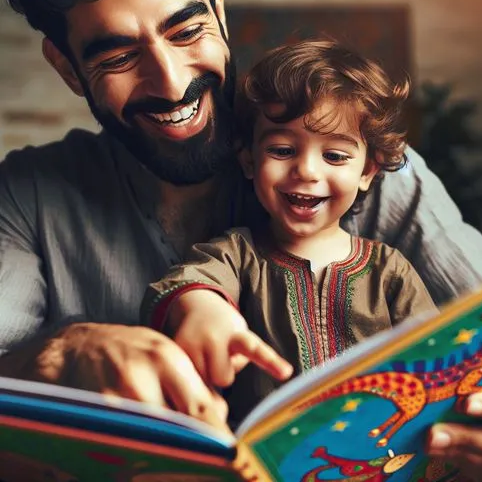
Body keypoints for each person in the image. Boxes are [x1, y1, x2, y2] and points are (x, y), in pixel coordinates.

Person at [1, 0, 482, 479]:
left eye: (186, 32)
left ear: (217, 6)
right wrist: (63, 355)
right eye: (118, 58)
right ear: (67, 67)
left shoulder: (379, 179)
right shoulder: (26, 195)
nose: (174, 84)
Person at [141, 39, 439, 424]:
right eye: (282, 150)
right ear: (249, 160)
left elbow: (436, 355)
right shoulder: (236, 254)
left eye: (334, 156)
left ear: (367, 172)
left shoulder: (389, 271)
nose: (307, 171)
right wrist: (201, 310)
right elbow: (190, 283)